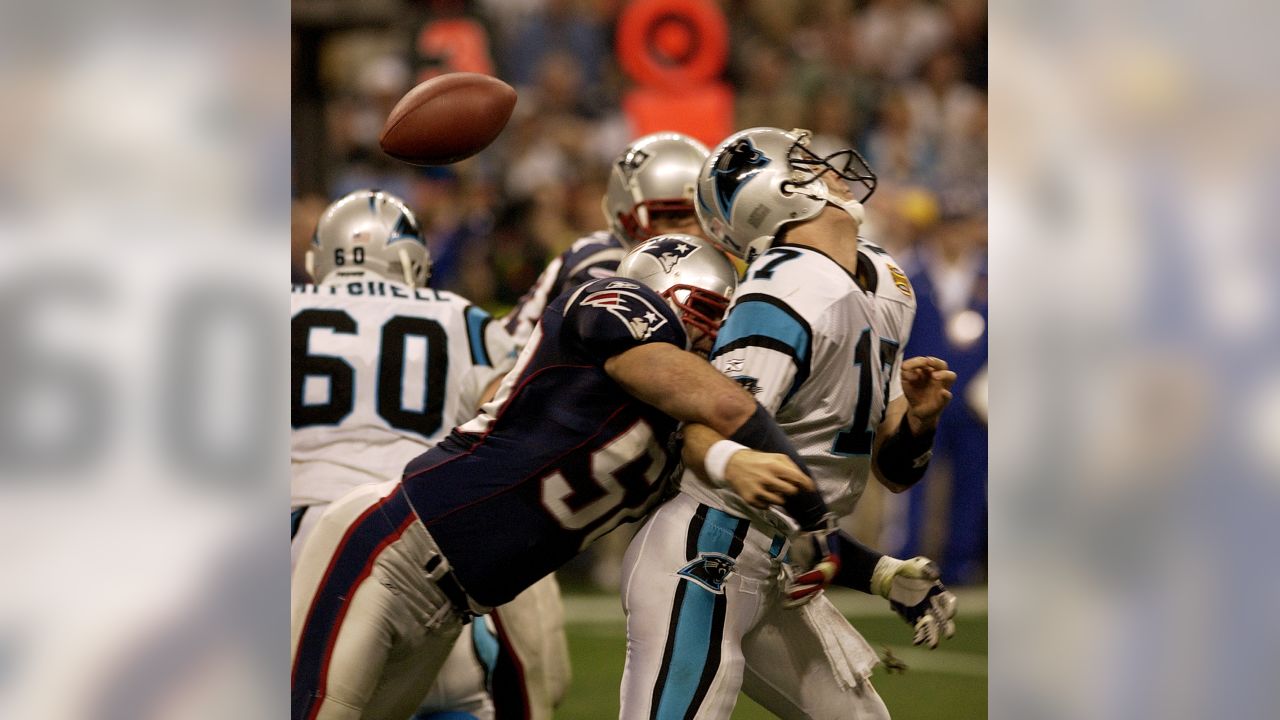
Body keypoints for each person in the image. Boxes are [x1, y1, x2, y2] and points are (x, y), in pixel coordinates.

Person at [291, 234, 826, 720]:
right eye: (708, 310)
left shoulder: (673, 430)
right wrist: (812, 509)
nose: (716, 334)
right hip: (387, 550)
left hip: (451, 608)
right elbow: (729, 408)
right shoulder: (610, 301)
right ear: (661, 289)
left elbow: (723, 454)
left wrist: (874, 571)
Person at [619, 127, 959, 719]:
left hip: (783, 561)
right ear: (770, 192)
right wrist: (740, 463)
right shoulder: (784, 286)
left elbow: (892, 469)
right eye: (803, 163)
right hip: (708, 549)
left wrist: (919, 423)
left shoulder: (885, 281)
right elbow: (709, 428)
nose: (825, 169)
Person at [291, 189, 519, 720]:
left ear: (320, 258)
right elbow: (508, 427)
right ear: (415, 260)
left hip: (298, 538)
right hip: (418, 537)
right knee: (457, 699)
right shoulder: (463, 318)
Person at [501, 131, 709, 351]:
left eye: (704, 217)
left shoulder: (713, 271)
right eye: (675, 217)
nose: (695, 231)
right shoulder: (605, 261)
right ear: (626, 217)